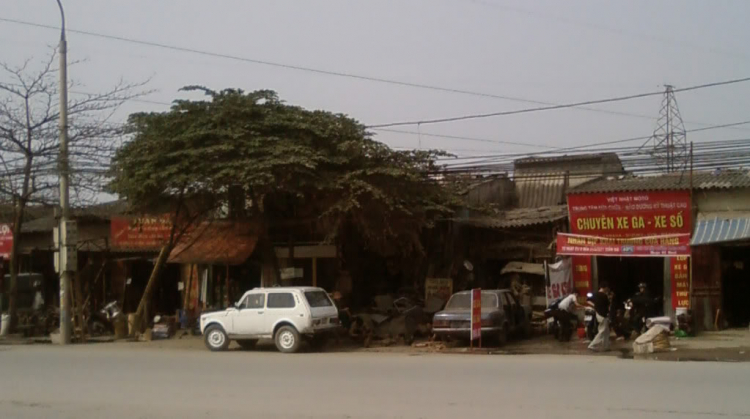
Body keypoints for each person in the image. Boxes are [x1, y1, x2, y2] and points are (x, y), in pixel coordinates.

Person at [587, 283, 611, 352]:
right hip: (603, 314)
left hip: (598, 313)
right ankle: (592, 345)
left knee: (607, 331)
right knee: (602, 331)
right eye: (607, 288)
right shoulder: (604, 296)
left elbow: (588, 300)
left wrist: (595, 305)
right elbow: (607, 306)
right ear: (605, 288)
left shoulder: (595, 294)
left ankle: (606, 346)